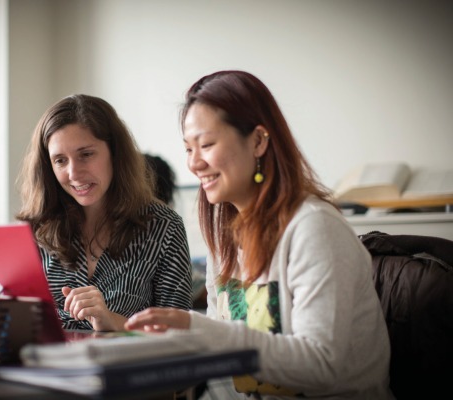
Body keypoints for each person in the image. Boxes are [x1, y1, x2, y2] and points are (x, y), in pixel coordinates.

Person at [125, 71, 394, 399]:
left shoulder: (314, 228)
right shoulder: (224, 237)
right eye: (188, 149)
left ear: (258, 141)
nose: (194, 164)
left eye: (206, 144)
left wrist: (197, 328)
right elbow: (228, 363)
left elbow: (321, 365)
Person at [16, 94, 193, 332]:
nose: (73, 173)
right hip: (44, 367)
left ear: (115, 153)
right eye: (60, 160)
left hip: (125, 368)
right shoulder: (33, 230)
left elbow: (179, 335)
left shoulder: (163, 227)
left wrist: (112, 321)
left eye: (86, 155)